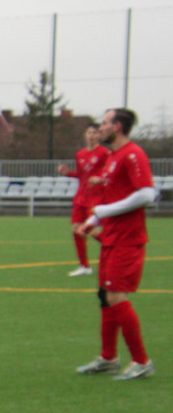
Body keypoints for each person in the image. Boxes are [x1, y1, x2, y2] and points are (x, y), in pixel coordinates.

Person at [74, 108, 157, 380]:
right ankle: (108, 358)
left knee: (116, 297)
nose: (100, 127)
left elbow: (147, 194)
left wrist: (104, 212)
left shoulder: (133, 154)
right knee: (105, 296)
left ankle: (141, 361)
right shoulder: (112, 157)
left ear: (117, 126)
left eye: (105, 122)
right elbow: (112, 199)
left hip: (128, 239)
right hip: (111, 237)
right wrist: (92, 220)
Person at [59, 124, 110, 276]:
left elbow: (110, 172)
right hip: (81, 197)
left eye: (94, 133)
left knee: (91, 230)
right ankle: (84, 266)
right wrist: (68, 173)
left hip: (97, 197)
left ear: (99, 136)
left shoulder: (104, 152)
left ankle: (116, 249)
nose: (91, 135)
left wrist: (101, 179)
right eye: (89, 132)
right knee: (76, 229)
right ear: (85, 135)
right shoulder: (80, 154)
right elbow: (81, 175)